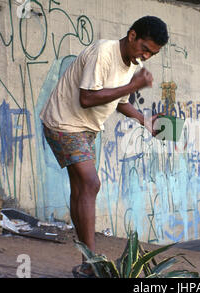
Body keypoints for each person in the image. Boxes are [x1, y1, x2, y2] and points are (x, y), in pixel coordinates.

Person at [39, 16, 169, 277]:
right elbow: (87, 98)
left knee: (81, 188)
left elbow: (118, 100)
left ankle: (86, 260)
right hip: (64, 122)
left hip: (86, 128)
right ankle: (91, 263)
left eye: (152, 54)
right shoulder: (104, 52)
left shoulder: (129, 62)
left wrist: (144, 119)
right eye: (145, 48)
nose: (145, 56)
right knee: (90, 184)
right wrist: (134, 85)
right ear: (132, 35)